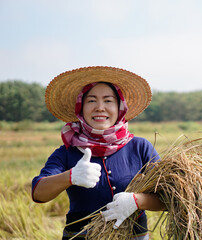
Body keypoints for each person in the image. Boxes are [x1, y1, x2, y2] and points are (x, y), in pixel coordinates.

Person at [32, 66, 166, 240]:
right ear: (81, 108)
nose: (100, 107)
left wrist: (137, 201)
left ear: (120, 108)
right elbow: (38, 193)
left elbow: (170, 197)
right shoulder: (67, 152)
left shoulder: (140, 147)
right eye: (91, 101)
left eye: (108, 101)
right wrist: (70, 177)